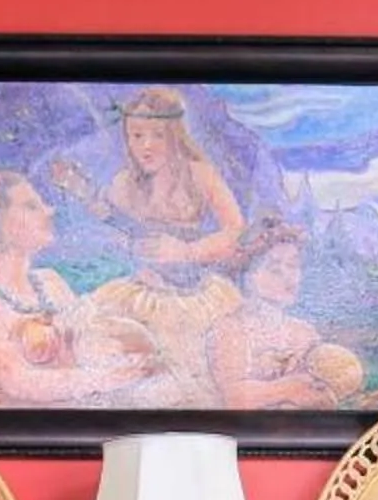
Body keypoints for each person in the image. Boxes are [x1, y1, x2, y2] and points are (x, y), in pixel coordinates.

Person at [47, 88, 245, 393]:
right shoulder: (124, 183)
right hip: (144, 291)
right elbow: (115, 228)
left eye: (157, 136)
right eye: (136, 136)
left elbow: (235, 231)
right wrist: (125, 238)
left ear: (176, 136)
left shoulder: (200, 175)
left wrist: (187, 251)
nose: (146, 146)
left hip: (198, 296)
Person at [0, 162, 160, 405]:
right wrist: (110, 377)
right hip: (13, 428)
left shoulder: (50, 282)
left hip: (70, 415)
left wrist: (130, 296)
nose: (49, 211)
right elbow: (19, 382)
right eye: (31, 206)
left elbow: (86, 340)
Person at [207, 224, 367, 409]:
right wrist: (289, 388)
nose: (288, 276)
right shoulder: (228, 330)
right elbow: (233, 398)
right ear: (248, 276)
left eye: (293, 265)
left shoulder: (304, 333)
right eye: (274, 268)